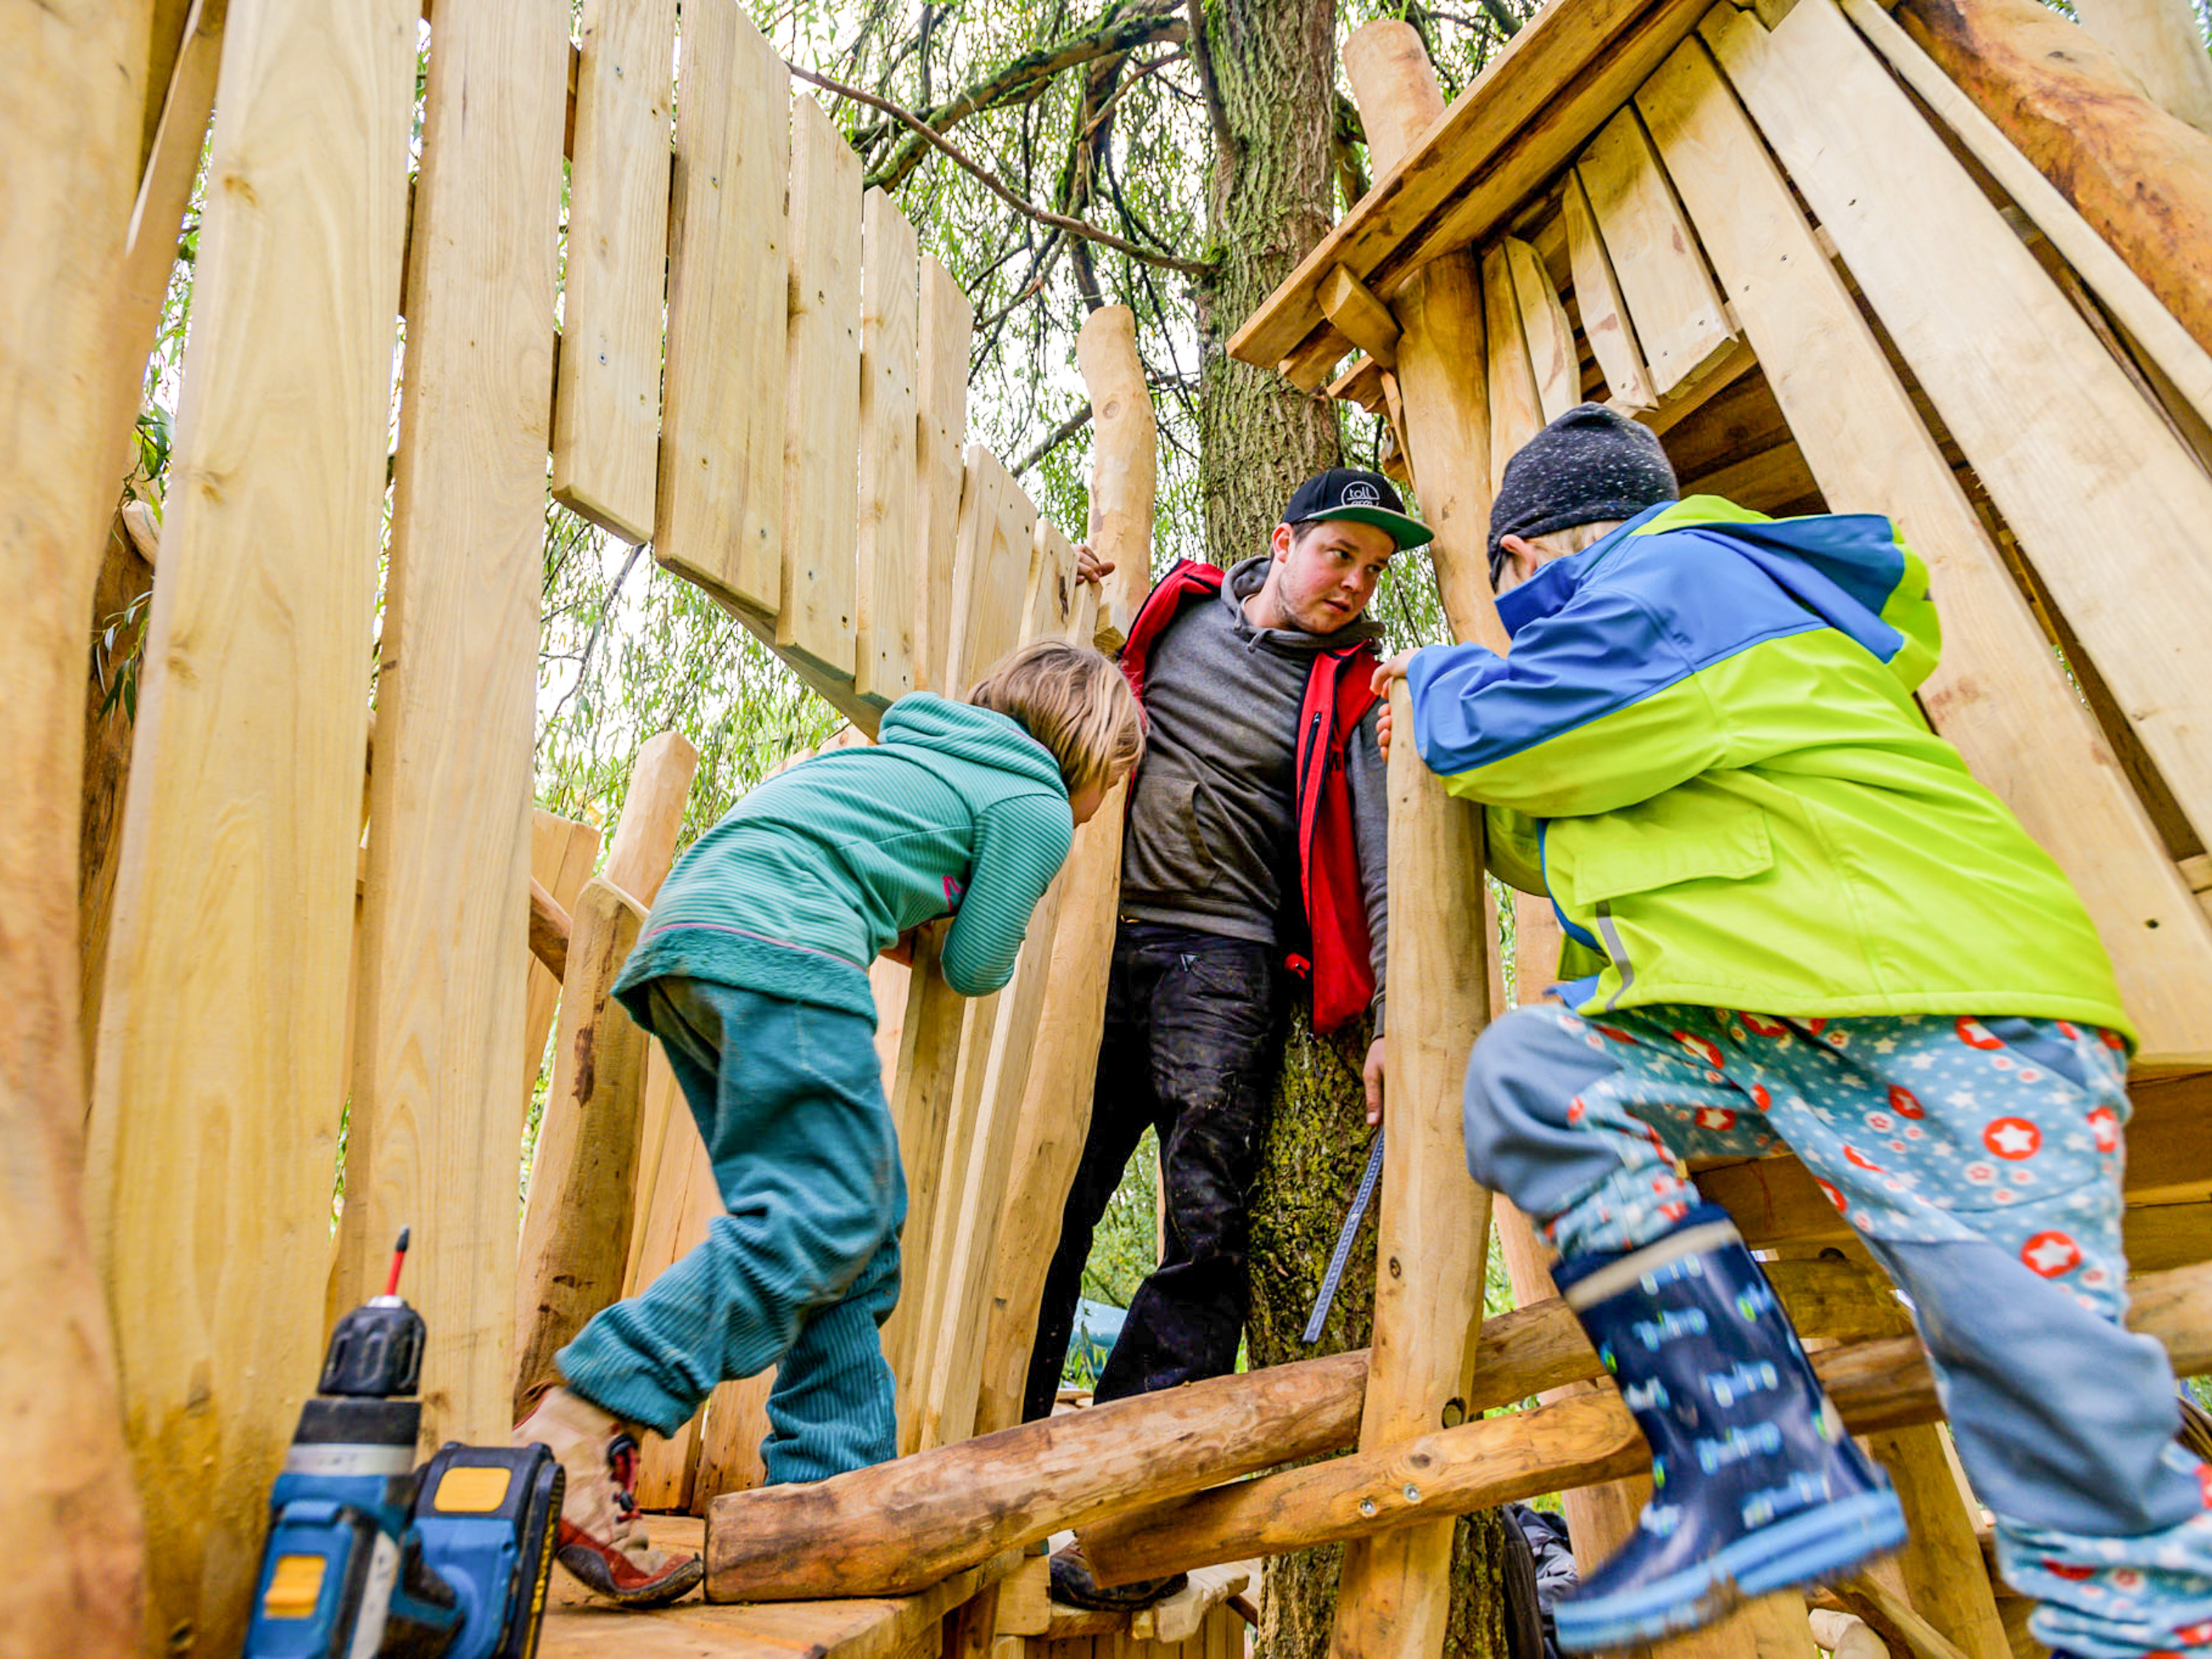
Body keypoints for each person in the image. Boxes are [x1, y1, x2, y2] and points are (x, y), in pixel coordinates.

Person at [1377, 403, 2212, 1657]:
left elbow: (1520, 734)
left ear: (1525, 552)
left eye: (1505, 593)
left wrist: (1441, 681)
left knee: (2061, 1433)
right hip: (1788, 1019)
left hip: (1946, 1006)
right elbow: (1569, 813)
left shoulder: (1680, 574)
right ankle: (1754, 1454)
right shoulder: (1670, 644)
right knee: (1541, 1075)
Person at [514, 639, 1143, 1607]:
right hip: (785, 942)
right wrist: (968, 920)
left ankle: (823, 1501)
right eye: (1116, 775)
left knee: (854, 1234)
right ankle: (590, 1409)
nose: (1107, 799)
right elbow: (976, 962)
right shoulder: (1036, 804)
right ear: (1093, 754)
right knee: (832, 1212)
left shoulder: (921, 751)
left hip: (692, 933)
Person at [1027, 468, 1434, 1607]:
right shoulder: (1181, 610)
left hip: (1226, 965)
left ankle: (1132, 1527)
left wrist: (1392, 1019)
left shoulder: (1351, 690)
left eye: (1374, 570)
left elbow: (1381, 860)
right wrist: (1067, 588)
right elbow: (1064, 684)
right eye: (1340, 554)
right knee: (1049, 1203)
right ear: (1284, 541)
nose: (1355, 584)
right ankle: (986, 1465)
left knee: (1204, 1231)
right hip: (1103, 937)